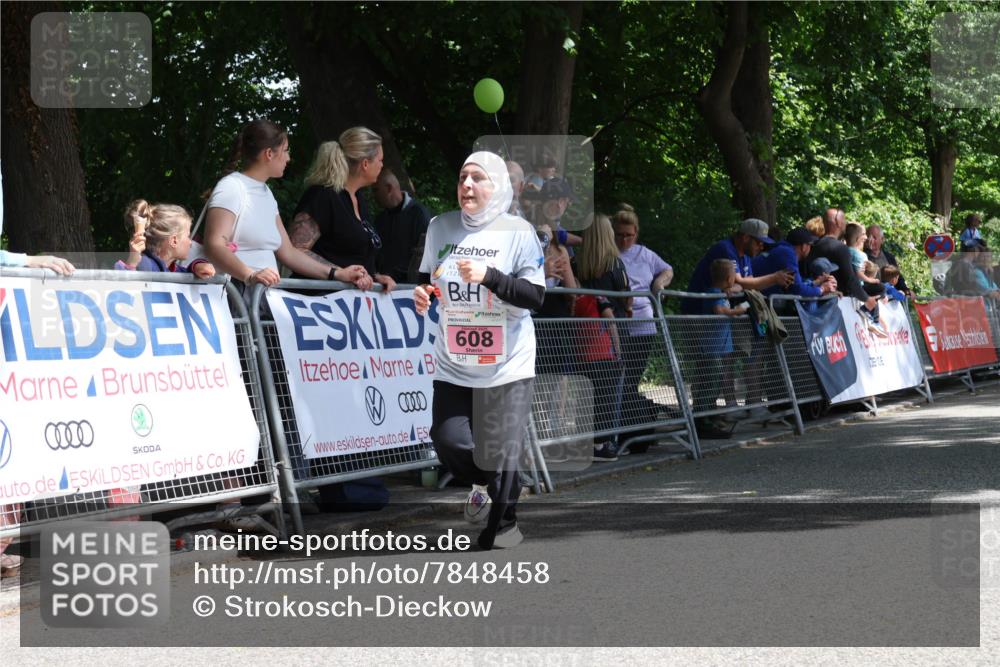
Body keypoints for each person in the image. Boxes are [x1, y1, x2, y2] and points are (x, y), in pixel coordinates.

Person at [413, 151, 545, 550]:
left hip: (507, 362)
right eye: (462, 177)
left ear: (498, 186)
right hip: (454, 360)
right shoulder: (440, 226)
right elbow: (427, 277)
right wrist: (422, 293)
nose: (466, 185)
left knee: (500, 450)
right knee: (448, 440)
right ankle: (487, 483)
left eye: (477, 178)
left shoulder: (518, 231)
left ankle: (502, 527)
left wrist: (489, 276)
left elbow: (534, 296)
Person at [203, 119, 371, 293]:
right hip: (236, 298)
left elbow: (288, 253)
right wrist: (250, 275)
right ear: (269, 154)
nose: (288, 158)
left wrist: (336, 273)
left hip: (261, 298)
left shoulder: (267, 193)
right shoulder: (232, 187)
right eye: (285, 150)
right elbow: (214, 244)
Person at [290, 127, 395, 291]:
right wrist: (337, 273)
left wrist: (375, 277)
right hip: (318, 299)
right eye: (380, 160)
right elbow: (296, 250)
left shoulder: (359, 199)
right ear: (365, 164)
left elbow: (354, 258)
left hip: (350, 301)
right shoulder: (323, 195)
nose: (382, 165)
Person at [612, 204, 674, 442]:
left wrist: (659, 284)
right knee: (618, 378)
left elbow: (667, 269)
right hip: (618, 322)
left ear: (636, 233)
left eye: (629, 235)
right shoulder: (607, 252)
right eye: (620, 235)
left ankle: (635, 429)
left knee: (632, 377)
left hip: (643, 323)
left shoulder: (645, 254)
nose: (624, 240)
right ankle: (627, 429)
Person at [574, 213, 631, 461]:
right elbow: (627, 299)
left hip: (583, 334)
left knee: (586, 388)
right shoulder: (615, 264)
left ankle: (588, 440)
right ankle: (604, 441)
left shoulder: (577, 263)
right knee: (610, 389)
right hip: (611, 331)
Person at [683, 218, 794, 314]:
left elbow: (749, 283)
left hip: (717, 317)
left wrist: (741, 285)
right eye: (759, 242)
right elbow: (741, 282)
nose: (761, 247)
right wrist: (774, 278)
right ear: (746, 237)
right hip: (698, 312)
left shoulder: (746, 255)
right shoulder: (725, 249)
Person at [692, 259, 751, 439]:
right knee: (710, 382)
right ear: (728, 278)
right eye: (733, 276)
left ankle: (708, 416)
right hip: (710, 349)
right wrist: (736, 311)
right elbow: (719, 310)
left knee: (716, 382)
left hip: (718, 348)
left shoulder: (720, 291)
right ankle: (701, 420)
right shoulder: (714, 294)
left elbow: (737, 288)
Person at [115, 199, 216, 277]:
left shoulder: (172, 269)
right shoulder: (145, 265)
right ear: (174, 241)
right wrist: (132, 262)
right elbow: (124, 288)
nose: (191, 242)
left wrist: (196, 267)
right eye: (188, 236)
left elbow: (186, 272)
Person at [809, 208, 881, 315]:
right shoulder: (840, 248)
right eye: (844, 220)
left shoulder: (814, 245)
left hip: (816, 304)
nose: (845, 223)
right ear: (838, 222)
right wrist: (867, 299)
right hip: (838, 308)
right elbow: (850, 279)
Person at [751, 226, 837, 310]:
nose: (810, 248)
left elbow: (794, 284)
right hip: (757, 304)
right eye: (810, 245)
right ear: (804, 247)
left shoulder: (783, 250)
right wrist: (822, 289)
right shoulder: (787, 253)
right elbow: (797, 289)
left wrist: (816, 282)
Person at [373, 168, 432, 283]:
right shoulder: (381, 219)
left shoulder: (418, 215)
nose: (373, 195)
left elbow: (424, 256)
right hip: (383, 285)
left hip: (408, 287)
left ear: (389, 188)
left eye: (376, 190)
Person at [845, 222, 886, 330]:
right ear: (857, 238)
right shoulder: (861, 255)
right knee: (881, 288)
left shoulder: (843, 250)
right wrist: (870, 280)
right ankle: (871, 316)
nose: (867, 238)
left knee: (876, 292)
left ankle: (873, 317)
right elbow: (859, 273)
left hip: (850, 287)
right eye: (864, 234)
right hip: (858, 287)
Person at [865, 224, 911, 296]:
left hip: (888, 299)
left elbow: (898, 277)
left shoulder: (889, 257)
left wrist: (906, 290)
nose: (871, 240)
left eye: (874, 237)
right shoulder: (862, 256)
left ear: (882, 239)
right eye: (868, 237)